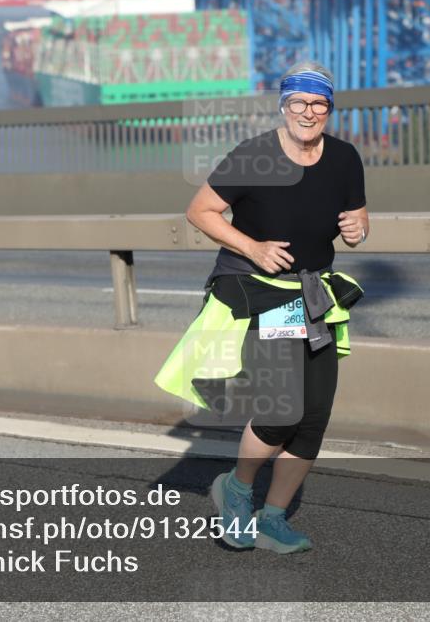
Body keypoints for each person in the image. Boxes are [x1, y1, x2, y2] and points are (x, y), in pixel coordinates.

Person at [154, 61, 368, 554]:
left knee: (314, 416)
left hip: (314, 294)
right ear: (283, 105)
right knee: (281, 411)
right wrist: (252, 247)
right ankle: (238, 487)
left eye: (318, 104)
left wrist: (358, 229)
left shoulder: (344, 158)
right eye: (298, 103)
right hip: (261, 291)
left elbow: (356, 216)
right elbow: (199, 211)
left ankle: (273, 517)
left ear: (330, 110)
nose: (308, 112)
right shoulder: (254, 155)